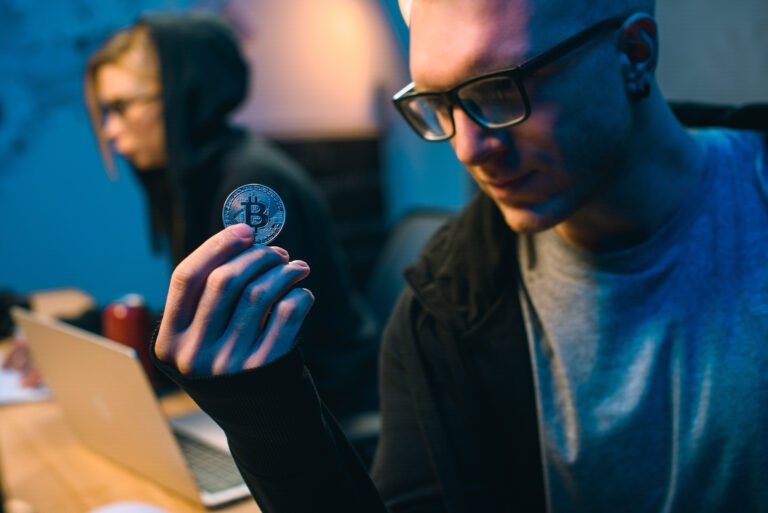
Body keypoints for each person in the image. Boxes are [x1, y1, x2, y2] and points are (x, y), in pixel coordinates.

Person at [149, 0, 767, 512]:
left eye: (500, 89)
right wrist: (268, 416)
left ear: (633, 54)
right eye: (438, 104)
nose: (470, 147)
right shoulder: (441, 314)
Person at [84, 12, 380, 419]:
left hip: (326, 414)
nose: (112, 130)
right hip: (282, 404)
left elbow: (255, 344)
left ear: (185, 92)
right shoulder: (203, 177)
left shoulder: (249, 185)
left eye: (121, 106)